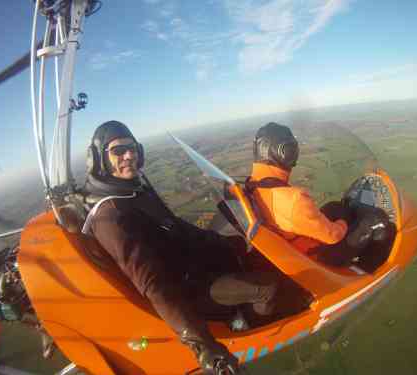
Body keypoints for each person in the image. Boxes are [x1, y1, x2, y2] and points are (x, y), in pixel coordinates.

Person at [82, 121, 277, 375]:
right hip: (185, 292)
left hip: (191, 267)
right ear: (99, 160)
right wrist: (203, 346)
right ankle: (255, 332)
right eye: (118, 151)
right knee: (267, 289)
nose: (129, 155)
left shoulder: (133, 190)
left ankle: (236, 307)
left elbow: (173, 226)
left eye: (132, 149)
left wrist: (216, 241)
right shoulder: (110, 216)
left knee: (238, 246)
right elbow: (154, 285)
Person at [247, 122, 387, 266]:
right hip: (314, 256)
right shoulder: (293, 199)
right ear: (285, 152)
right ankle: (367, 271)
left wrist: (341, 215)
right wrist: (343, 222)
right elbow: (333, 236)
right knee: (377, 219)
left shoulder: (252, 184)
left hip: (291, 245)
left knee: (335, 207)